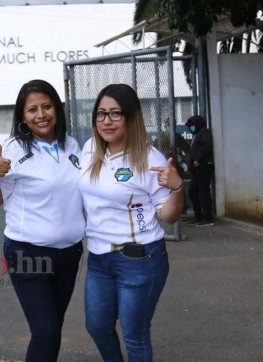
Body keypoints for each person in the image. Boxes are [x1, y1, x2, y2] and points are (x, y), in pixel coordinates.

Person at [78, 84, 184, 362]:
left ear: (130, 117)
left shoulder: (150, 159)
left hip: (139, 258)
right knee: (98, 326)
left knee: (135, 335)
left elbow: (169, 216)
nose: (106, 121)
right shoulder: (90, 149)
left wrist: (177, 188)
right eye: (100, 114)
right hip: (99, 257)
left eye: (115, 113)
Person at [0, 79, 85, 362]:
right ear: (23, 117)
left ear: (57, 109)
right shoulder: (14, 149)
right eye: (32, 109)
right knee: (46, 332)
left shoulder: (72, 145)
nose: (41, 114)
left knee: (52, 329)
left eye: (47, 106)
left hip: (69, 253)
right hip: (29, 253)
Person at [185, 115, 214, 226]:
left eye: (192, 125)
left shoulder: (204, 132)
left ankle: (208, 219)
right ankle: (199, 216)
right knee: (193, 191)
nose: (191, 128)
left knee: (203, 192)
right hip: (198, 167)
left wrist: (198, 159)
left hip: (204, 166)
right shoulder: (197, 134)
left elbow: (207, 146)